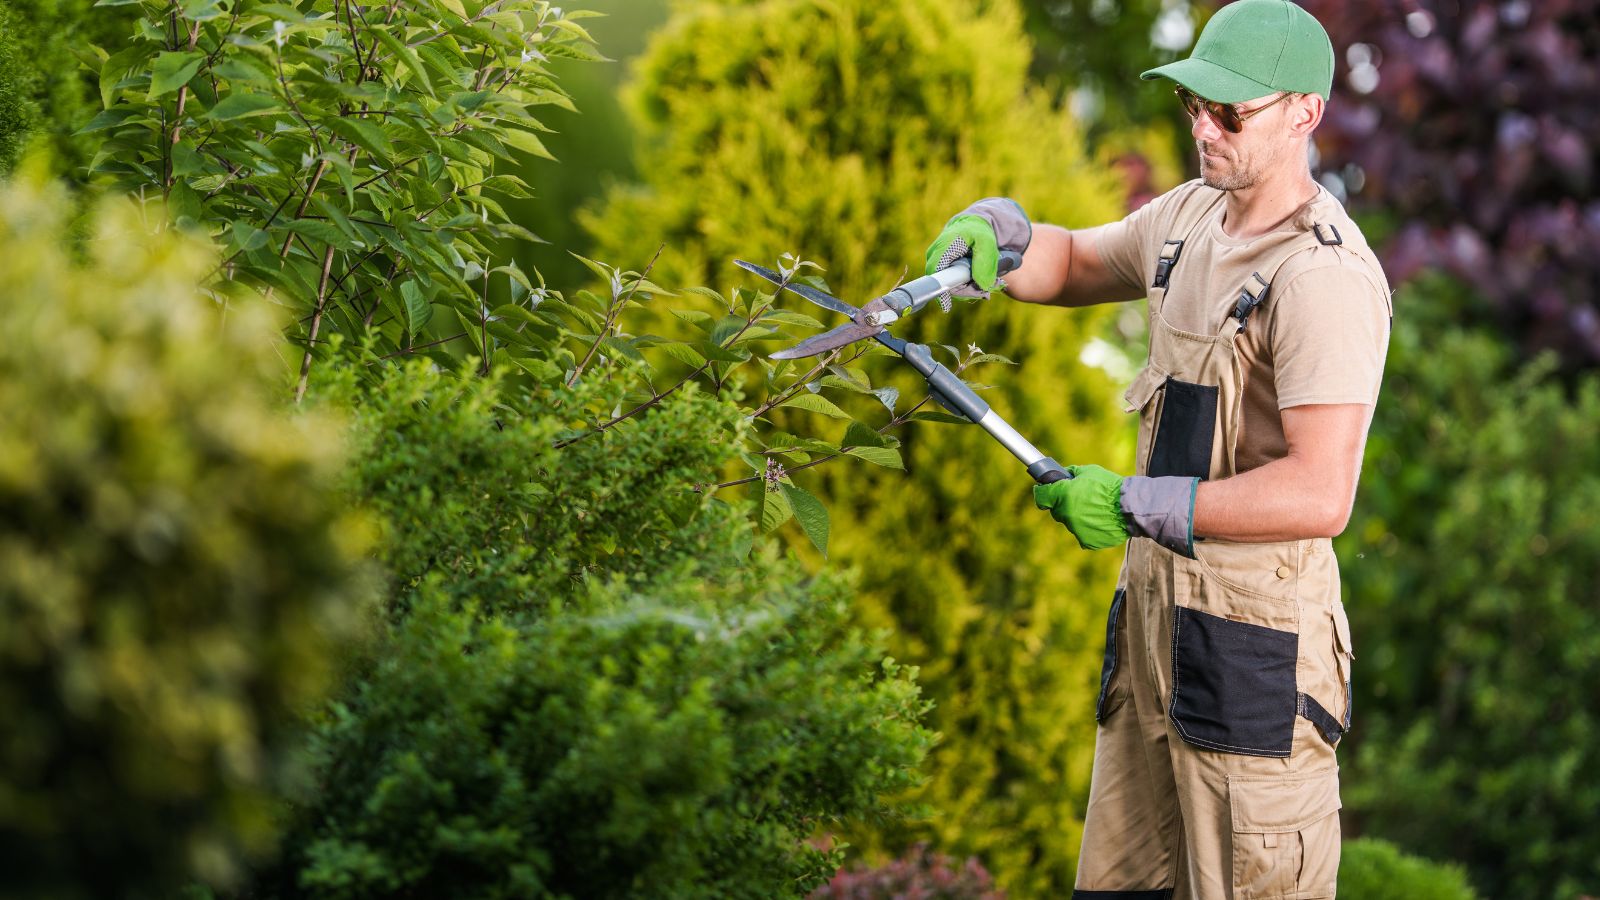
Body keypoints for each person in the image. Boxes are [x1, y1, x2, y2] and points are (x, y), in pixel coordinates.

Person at [924, 1, 1392, 897]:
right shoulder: (1187, 219)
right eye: (1193, 106)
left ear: (1305, 111)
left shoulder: (1322, 276)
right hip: (1149, 642)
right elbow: (1069, 263)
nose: (1202, 129)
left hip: (1253, 664)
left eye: (1229, 113)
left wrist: (1137, 504)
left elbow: (1321, 492)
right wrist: (1004, 233)